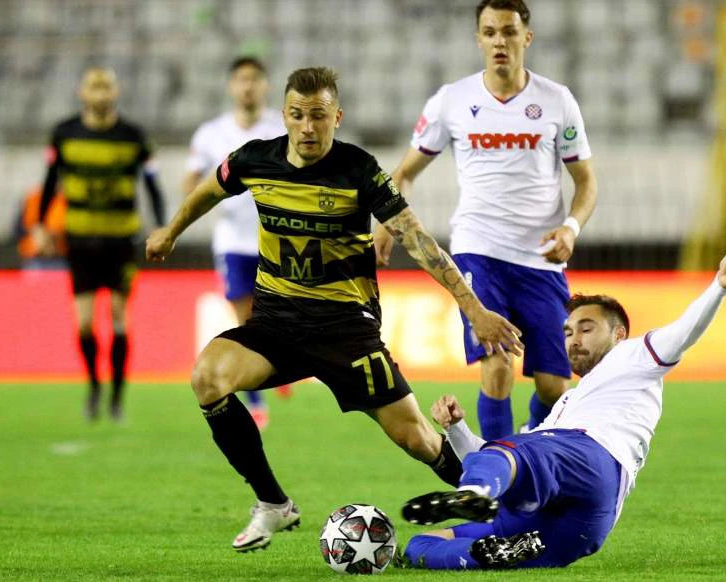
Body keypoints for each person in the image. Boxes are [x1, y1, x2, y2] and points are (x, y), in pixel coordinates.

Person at [146, 67, 524, 553]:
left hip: (346, 328)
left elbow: (417, 239)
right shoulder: (254, 159)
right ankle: (272, 503)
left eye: (318, 116)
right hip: (276, 323)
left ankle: (503, 508)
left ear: (336, 118)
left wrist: (473, 308)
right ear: (284, 115)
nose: (307, 127)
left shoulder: (358, 170)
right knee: (207, 378)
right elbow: (209, 190)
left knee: (418, 440)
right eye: (297, 115)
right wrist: (172, 230)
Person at [398, 240, 726, 570]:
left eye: (586, 329)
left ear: (618, 334)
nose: (574, 340)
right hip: (582, 522)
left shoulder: (633, 356)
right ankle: (487, 549)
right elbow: (491, 457)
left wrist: (719, 286)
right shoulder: (567, 403)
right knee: (421, 545)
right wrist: (456, 428)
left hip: (591, 457)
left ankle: (475, 494)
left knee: (512, 454)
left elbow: (682, 333)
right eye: (568, 332)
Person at [374, 0, 599, 438]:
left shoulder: (557, 101)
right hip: (479, 251)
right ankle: (497, 467)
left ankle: (528, 444)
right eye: (490, 32)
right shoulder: (452, 100)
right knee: (497, 368)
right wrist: (384, 223)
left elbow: (586, 181)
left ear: (526, 38)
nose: (500, 41)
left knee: (554, 387)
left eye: (509, 31)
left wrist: (571, 229)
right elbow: (404, 173)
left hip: (541, 260)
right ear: (478, 39)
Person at [33, 67, 166, 422]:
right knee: (84, 323)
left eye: (106, 87)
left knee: (120, 318)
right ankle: (94, 386)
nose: (101, 94)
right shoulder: (64, 133)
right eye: (95, 88)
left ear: (116, 92)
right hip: (79, 238)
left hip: (121, 239)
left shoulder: (133, 136)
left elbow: (152, 185)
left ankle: (117, 398)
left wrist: (161, 226)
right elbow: (50, 181)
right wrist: (40, 225)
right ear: (82, 93)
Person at [181, 56, 289, 430]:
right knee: (244, 317)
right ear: (231, 86)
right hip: (232, 240)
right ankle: (257, 398)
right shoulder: (210, 134)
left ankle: (279, 364)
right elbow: (190, 181)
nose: (248, 86)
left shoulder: (281, 128)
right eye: (242, 79)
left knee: (277, 313)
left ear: (265, 85)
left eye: (255, 79)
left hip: (277, 238)